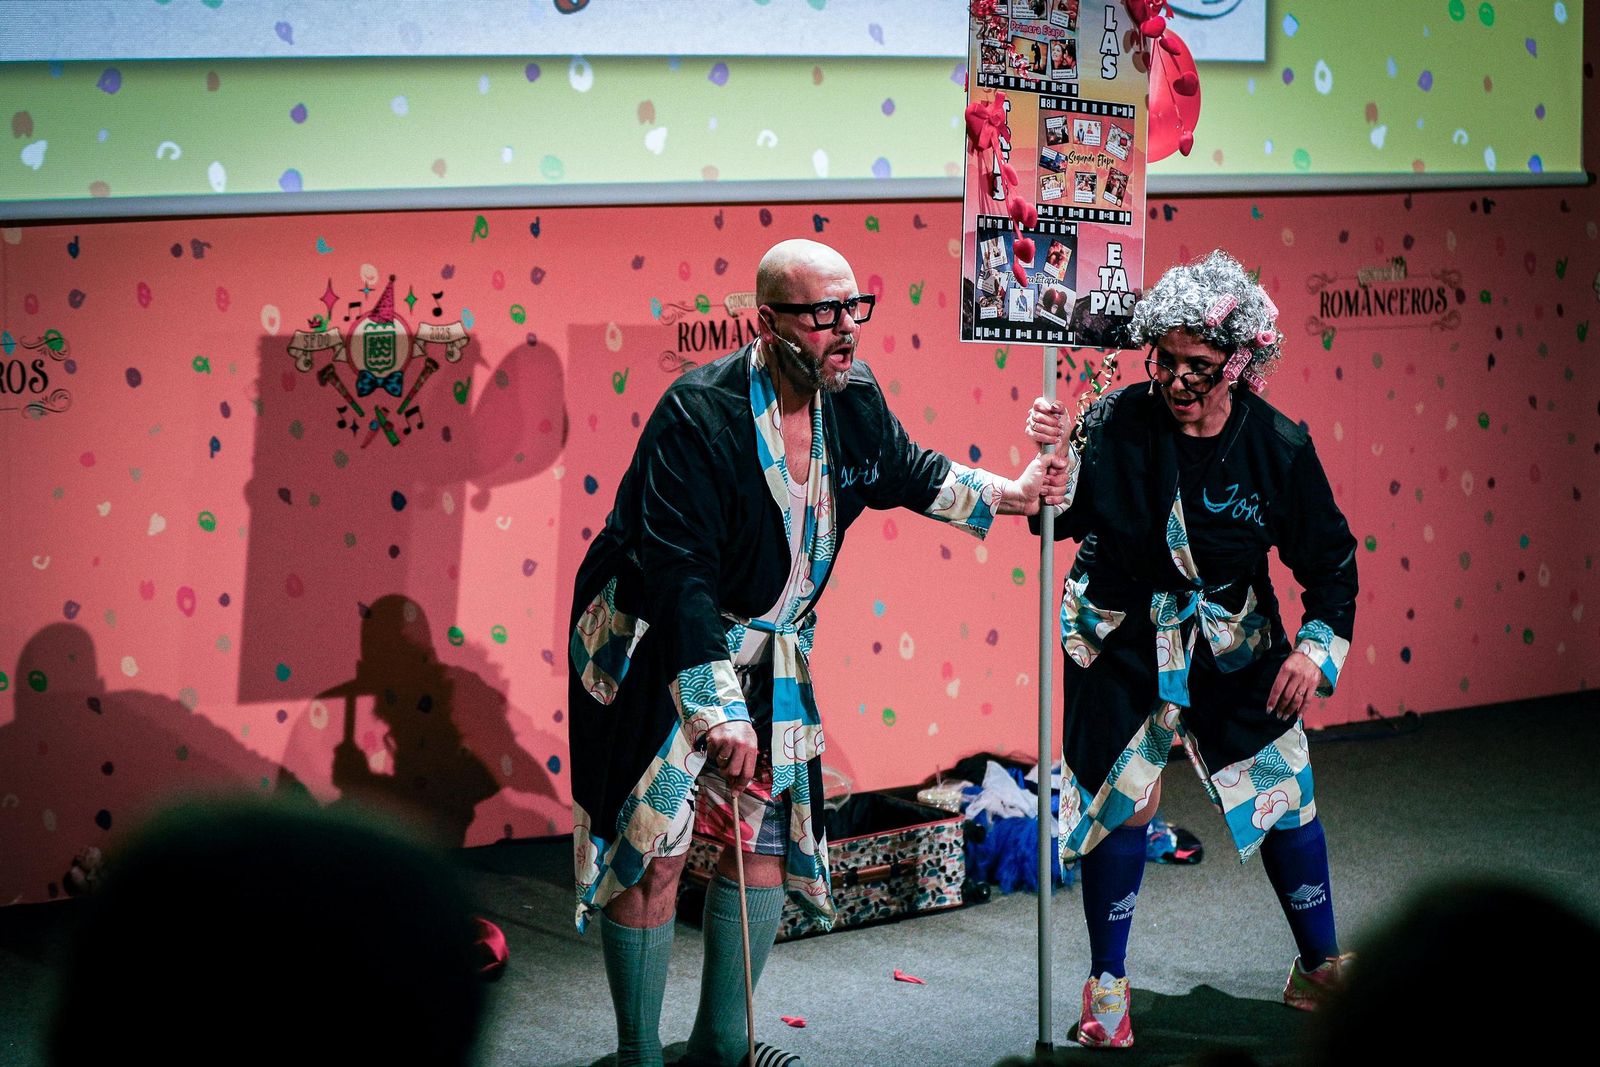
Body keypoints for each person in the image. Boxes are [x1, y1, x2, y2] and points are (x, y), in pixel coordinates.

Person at [568, 238, 1069, 1066]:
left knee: (759, 838)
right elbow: (679, 573)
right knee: (652, 849)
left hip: (772, 653)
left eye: (853, 308)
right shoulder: (697, 415)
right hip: (656, 647)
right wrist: (717, 705)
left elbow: (905, 468)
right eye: (822, 313)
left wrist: (1009, 496)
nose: (845, 329)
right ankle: (637, 1057)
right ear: (767, 322)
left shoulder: (852, 397)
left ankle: (724, 1047)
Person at [1025, 250, 1358, 1048]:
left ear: (1240, 362)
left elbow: (1331, 561)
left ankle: (1318, 968)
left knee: (1283, 790)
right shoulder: (1117, 417)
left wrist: (1312, 651)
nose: (1177, 381)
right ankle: (1107, 986)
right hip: (1121, 633)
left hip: (1230, 636)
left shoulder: (1277, 444)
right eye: (1166, 361)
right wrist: (1057, 462)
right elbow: (1057, 522)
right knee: (1125, 801)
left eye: (1200, 368)